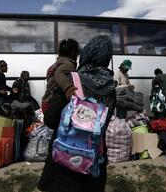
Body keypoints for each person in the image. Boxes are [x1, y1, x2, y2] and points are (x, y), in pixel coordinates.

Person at [38, 35, 116, 192]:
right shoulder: (111, 89)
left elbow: (51, 119)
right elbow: (103, 124)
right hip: (93, 158)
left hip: (64, 159)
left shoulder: (71, 80)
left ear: (87, 53)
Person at [41, 39, 80, 113]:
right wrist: (68, 87)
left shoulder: (57, 63)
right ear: (73, 53)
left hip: (46, 101)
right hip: (51, 103)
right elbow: (58, 73)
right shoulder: (68, 64)